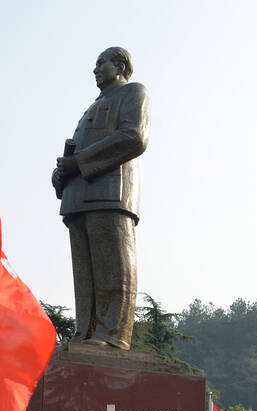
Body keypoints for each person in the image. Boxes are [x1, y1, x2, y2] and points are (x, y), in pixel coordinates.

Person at [53, 46, 150, 350]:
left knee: (112, 267)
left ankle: (111, 334)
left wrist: (79, 162)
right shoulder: (91, 108)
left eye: (101, 64)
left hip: (110, 193)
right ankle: (85, 331)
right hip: (78, 199)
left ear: (120, 65)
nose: (95, 70)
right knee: (85, 274)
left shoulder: (133, 93)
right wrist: (62, 175)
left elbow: (133, 137)